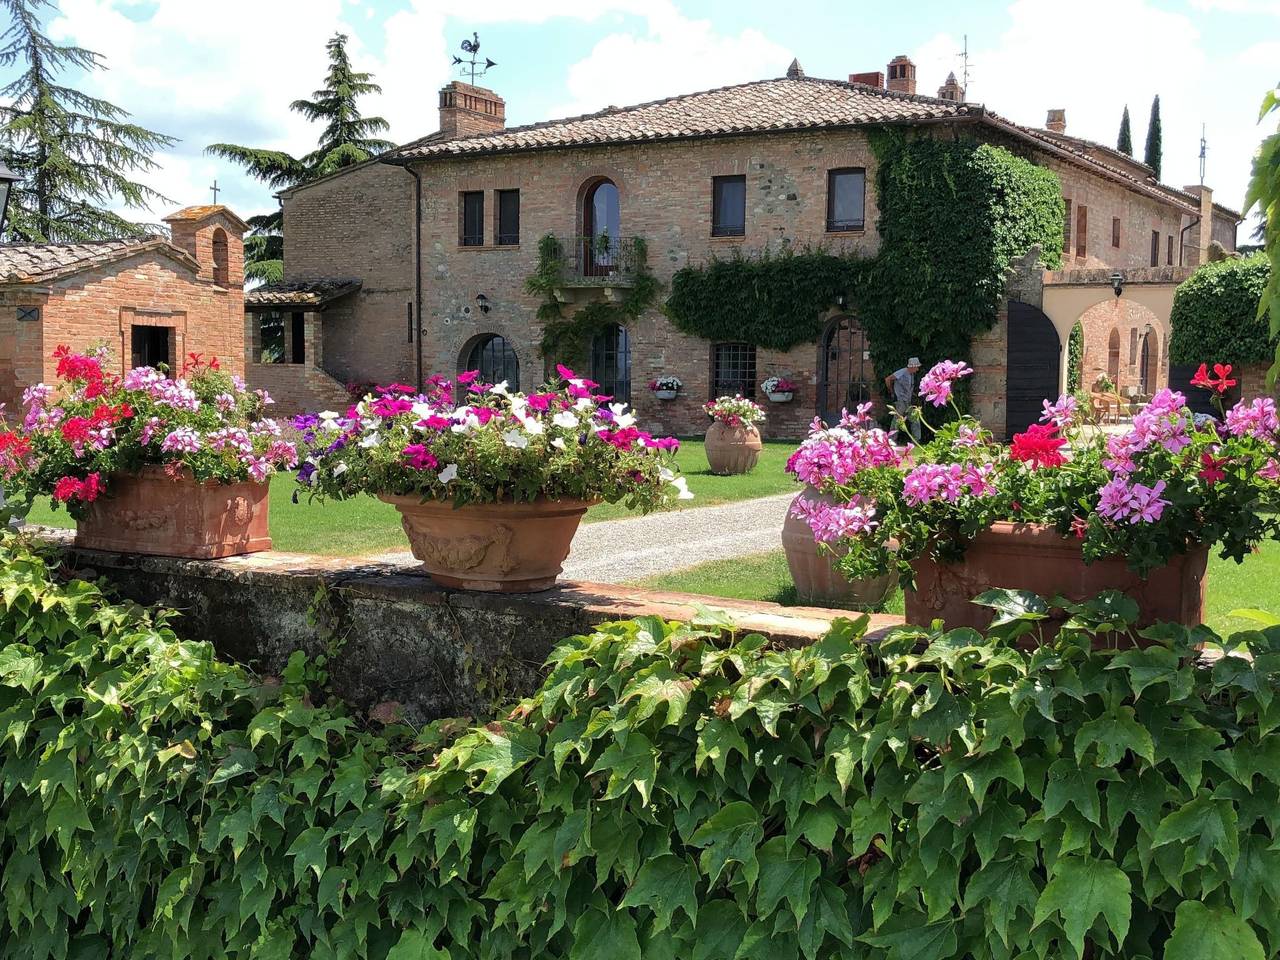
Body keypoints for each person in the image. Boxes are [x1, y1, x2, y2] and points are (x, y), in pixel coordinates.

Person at [886, 357, 922, 441]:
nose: (917, 369)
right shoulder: (902, 372)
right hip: (901, 401)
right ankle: (891, 440)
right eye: (917, 367)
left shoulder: (911, 375)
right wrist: (891, 391)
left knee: (915, 419)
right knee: (897, 420)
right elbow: (888, 379)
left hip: (908, 401)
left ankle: (917, 440)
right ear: (912, 366)